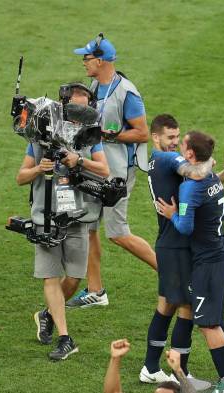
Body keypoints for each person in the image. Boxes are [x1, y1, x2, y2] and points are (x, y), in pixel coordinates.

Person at [142, 114, 224, 385]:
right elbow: (199, 173)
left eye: (178, 138)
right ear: (155, 137)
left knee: (173, 305)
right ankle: (176, 373)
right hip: (175, 244)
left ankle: (155, 368)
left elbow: (203, 187)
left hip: (175, 243)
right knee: (183, 307)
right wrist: (208, 158)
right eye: (170, 138)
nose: (174, 143)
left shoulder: (165, 160)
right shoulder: (168, 159)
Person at [16, 83, 109, 360]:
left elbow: (104, 170)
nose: (82, 113)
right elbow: (20, 177)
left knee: (75, 277)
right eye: (77, 107)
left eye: (86, 107)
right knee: (50, 277)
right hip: (45, 215)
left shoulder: (90, 135)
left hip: (77, 215)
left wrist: (78, 160)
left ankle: (48, 313)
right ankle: (66, 338)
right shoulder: (39, 134)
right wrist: (38, 168)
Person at [68, 33, 155, 308]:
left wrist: (110, 136)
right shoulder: (95, 85)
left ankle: (176, 276)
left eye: (87, 58)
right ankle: (96, 291)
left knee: (117, 232)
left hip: (118, 173)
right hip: (97, 169)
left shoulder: (126, 92)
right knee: (89, 228)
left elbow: (143, 134)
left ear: (102, 61)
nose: (84, 62)